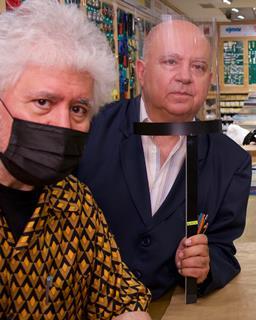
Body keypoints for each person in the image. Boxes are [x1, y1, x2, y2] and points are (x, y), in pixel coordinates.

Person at [77, 19, 252, 300]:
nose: (185, 76)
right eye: (171, 62)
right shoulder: (89, 131)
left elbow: (223, 249)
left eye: (198, 67)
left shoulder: (231, 163)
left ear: (209, 79)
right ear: (142, 72)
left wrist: (205, 265)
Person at [0, 1, 151, 319]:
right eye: (43, 102)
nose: (64, 125)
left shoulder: (74, 201)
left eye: (78, 109)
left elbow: (122, 300)